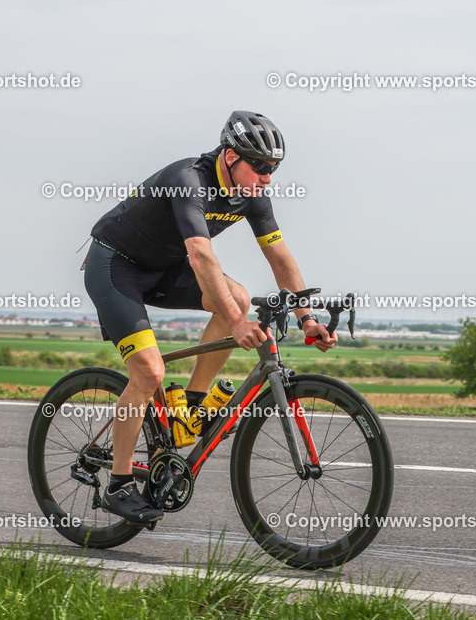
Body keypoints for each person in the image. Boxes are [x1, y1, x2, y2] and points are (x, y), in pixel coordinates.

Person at [83, 110, 337, 522]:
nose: (267, 177)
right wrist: (236, 322)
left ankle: (193, 405)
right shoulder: (190, 179)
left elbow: (279, 257)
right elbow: (200, 255)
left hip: (164, 268)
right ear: (231, 156)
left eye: (273, 169)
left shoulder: (253, 195)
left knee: (236, 296)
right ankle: (119, 483)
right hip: (116, 265)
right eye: (260, 166)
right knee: (148, 373)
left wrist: (308, 318)